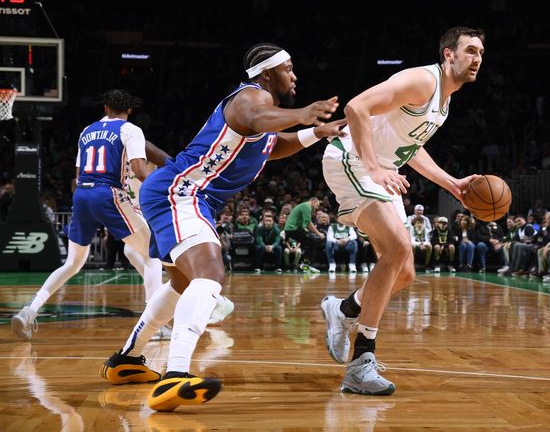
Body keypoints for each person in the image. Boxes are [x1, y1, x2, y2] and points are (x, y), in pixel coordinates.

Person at [99, 43, 344, 411]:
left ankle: (128, 360)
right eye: (288, 68)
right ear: (266, 73)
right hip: (182, 191)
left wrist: (316, 133)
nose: (295, 75)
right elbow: (262, 120)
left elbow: (272, 145)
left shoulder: (261, 113)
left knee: (183, 282)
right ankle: (175, 375)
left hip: (184, 194)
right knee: (210, 273)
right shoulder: (250, 97)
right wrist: (303, 113)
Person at [320, 27, 484, 395]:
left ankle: (344, 309)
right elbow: (355, 107)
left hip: (382, 170)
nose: (477, 59)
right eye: (470, 50)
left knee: (404, 271)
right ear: (448, 54)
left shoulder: (444, 100)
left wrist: (452, 183)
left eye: (481, 53)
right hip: (352, 159)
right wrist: (374, 166)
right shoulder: (422, 80)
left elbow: (412, 147)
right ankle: (361, 363)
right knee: (397, 249)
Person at [11, 90, 163, 340]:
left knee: (72, 263)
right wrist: (161, 186)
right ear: (130, 110)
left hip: (82, 194)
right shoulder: (130, 130)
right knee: (152, 254)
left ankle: (30, 310)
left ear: (105, 108)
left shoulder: (86, 131)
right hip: (108, 193)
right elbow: (138, 169)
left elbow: (79, 175)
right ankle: (152, 327)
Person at [283, 197, 325, 271]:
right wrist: (319, 234)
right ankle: (308, 265)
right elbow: (309, 223)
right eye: (317, 205)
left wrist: (308, 231)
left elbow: (303, 224)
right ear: (313, 201)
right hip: (293, 229)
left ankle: (304, 265)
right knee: (313, 241)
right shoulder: (307, 206)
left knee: (308, 243)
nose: (317, 207)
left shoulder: (304, 206)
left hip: (291, 229)